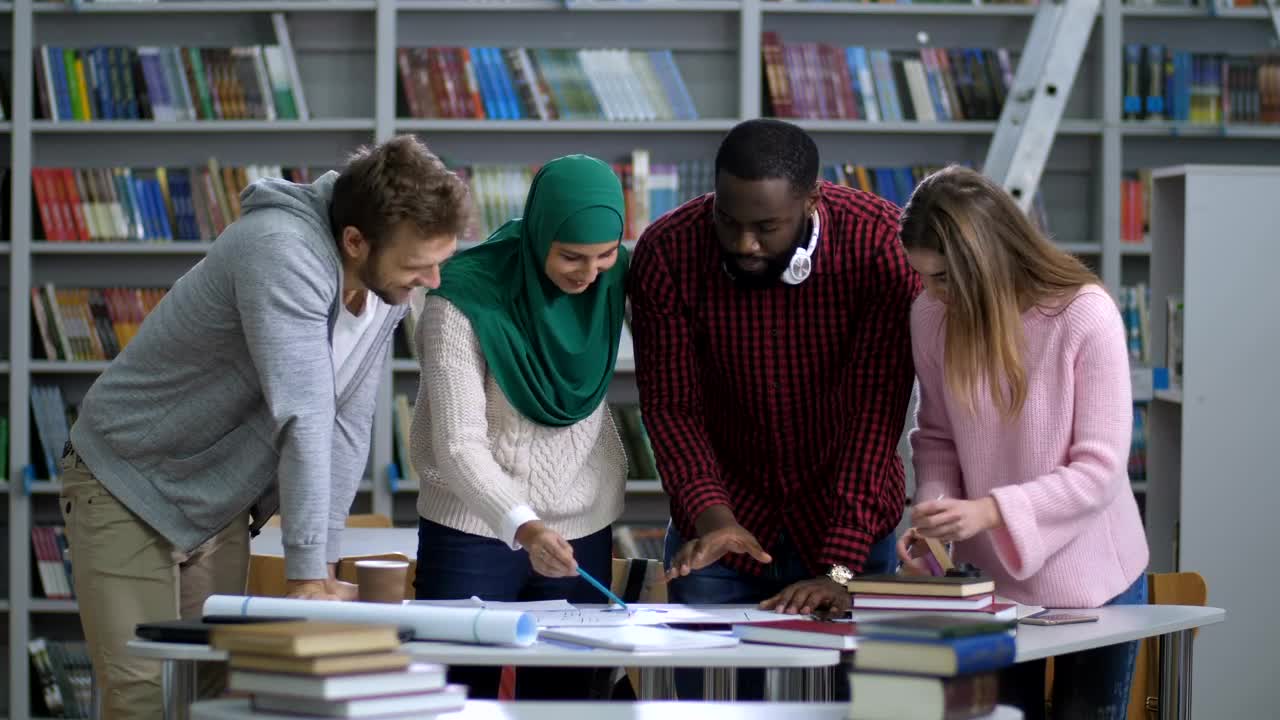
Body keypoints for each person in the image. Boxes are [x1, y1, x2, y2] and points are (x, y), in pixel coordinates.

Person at [60, 135, 471, 720]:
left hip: (216, 499)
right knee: (143, 697)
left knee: (217, 695)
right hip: (127, 482)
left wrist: (322, 566)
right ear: (355, 241)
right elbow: (304, 415)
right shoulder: (281, 250)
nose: (431, 280)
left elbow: (347, 424)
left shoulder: (384, 285)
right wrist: (303, 575)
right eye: (417, 265)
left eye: (438, 262)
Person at [627, 118, 920, 696]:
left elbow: (873, 420)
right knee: (709, 708)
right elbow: (671, 407)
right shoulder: (667, 251)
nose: (744, 244)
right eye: (728, 221)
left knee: (860, 705)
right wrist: (715, 521)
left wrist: (838, 570)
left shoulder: (879, 245)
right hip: (720, 532)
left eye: (766, 227)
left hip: (848, 526)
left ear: (811, 201)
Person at [896, 165, 1150, 720]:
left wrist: (987, 511)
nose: (931, 292)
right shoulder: (930, 316)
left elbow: (1100, 471)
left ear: (987, 262)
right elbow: (936, 435)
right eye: (922, 276)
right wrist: (936, 514)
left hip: (1097, 579)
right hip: (991, 588)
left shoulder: (1084, 313)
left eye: (943, 278)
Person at [410, 154, 629, 700]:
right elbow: (458, 444)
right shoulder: (459, 298)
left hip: (582, 526)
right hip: (470, 528)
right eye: (571, 256)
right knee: (457, 696)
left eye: (604, 256)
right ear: (538, 235)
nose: (589, 274)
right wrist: (524, 527)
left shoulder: (614, 279)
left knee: (568, 703)